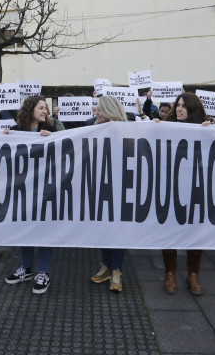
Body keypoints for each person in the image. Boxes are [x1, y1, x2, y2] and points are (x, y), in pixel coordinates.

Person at [4, 95, 63, 295]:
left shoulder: (51, 131)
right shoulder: (15, 131)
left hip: (44, 190)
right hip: (21, 190)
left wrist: (52, 141)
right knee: (24, 229)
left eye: (46, 108)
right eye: (41, 107)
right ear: (30, 109)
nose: (45, 111)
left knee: (44, 230)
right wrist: (3, 137)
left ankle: (43, 272)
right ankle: (26, 268)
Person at [157, 93, 210, 296]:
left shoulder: (205, 128)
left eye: (184, 106)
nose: (179, 109)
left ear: (193, 109)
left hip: (195, 189)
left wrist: (211, 133)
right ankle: (170, 272)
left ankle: (193, 274)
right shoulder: (165, 126)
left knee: (195, 233)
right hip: (170, 189)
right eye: (177, 105)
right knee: (169, 231)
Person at [88, 96, 129, 292]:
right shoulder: (91, 126)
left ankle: (117, 270)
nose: (96, 113)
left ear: (110, 111)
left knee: (118, 230)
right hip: (100, 188)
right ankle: (106, 267)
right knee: (103, 228)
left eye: (100, 110)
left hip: (121, 188)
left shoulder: (129, 130)